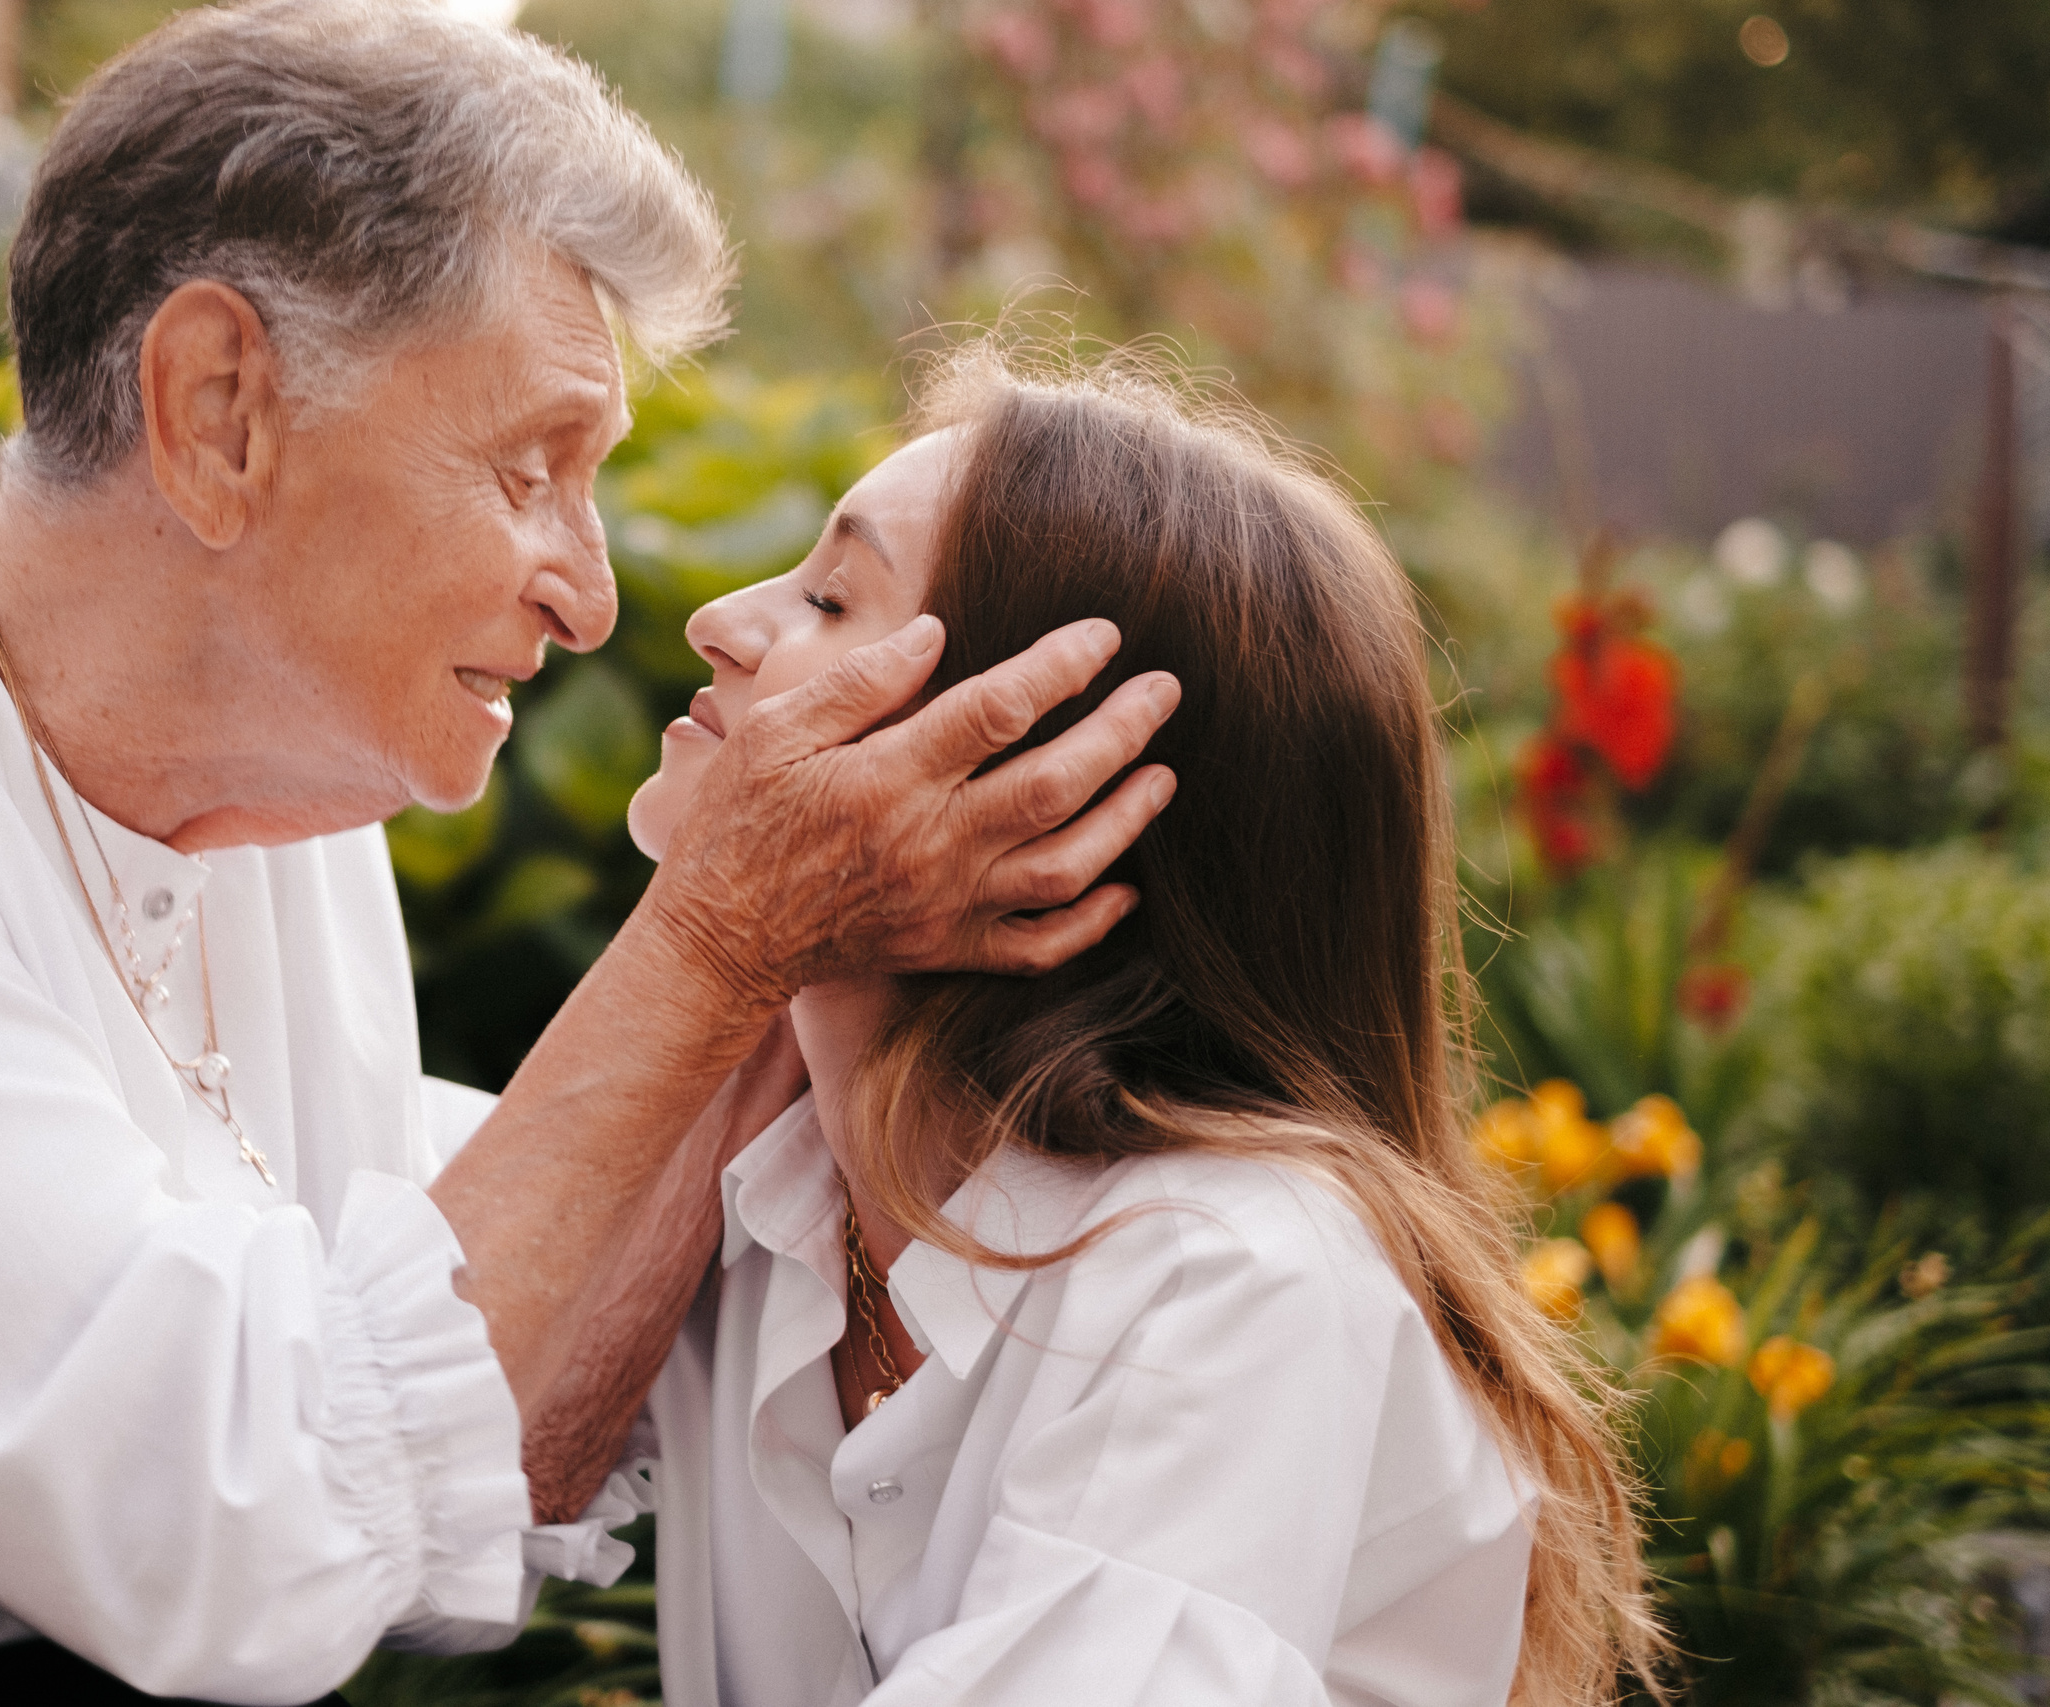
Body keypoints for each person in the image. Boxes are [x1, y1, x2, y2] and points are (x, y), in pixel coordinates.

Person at [0, 8, 1181, 1703]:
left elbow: (458, 1436)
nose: (589, 595)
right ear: (219, 410)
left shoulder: (278, 780)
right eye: (533, 470)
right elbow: (233, 1538)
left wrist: (794, 954)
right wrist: (720, 937)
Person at [611, 346, 1668, 1707]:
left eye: (829, 598)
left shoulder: (1238, 1279)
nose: (722, 623)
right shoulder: (777, 1186)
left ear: (1056, 792)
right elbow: (392, 1430)